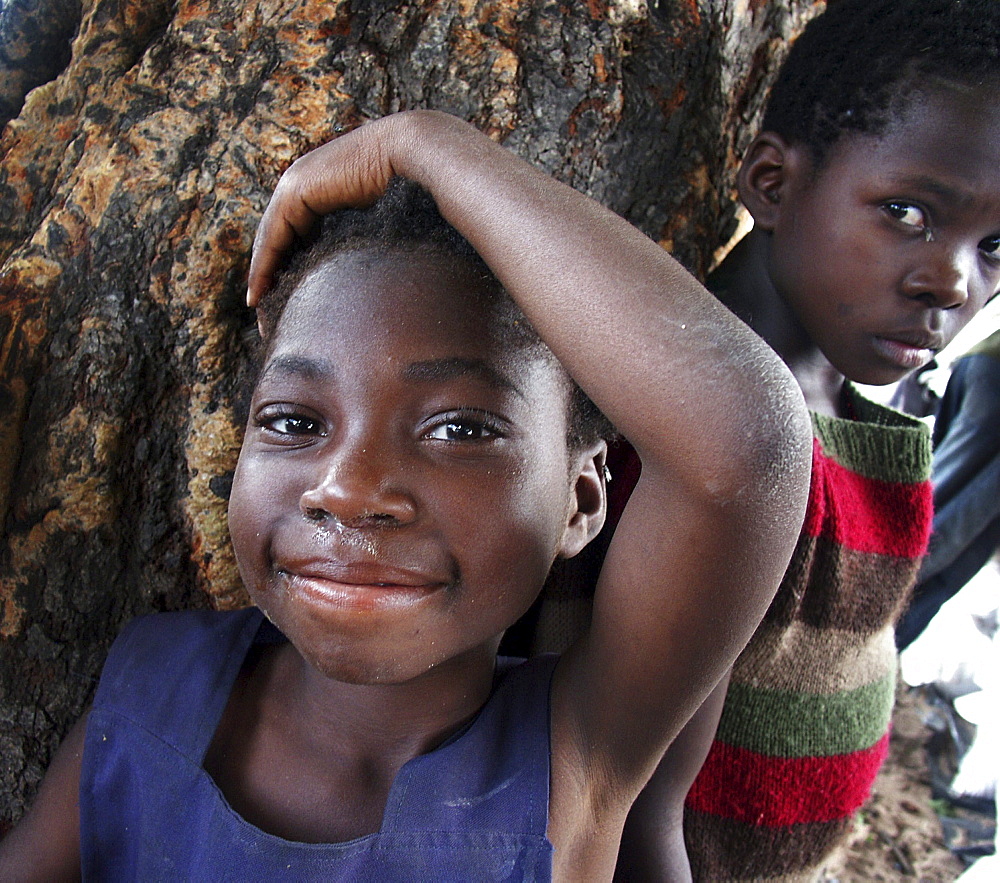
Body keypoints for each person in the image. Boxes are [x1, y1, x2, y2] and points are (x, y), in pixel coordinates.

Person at [0, 110, 811, 880]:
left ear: (583, 500)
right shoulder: (149, 687)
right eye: (293, 420)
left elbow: (747, 447)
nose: (348, 489)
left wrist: (424, 146)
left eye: (459, 430)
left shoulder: (574, 757)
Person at [613, 0, 1000, 879]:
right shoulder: (723, 440)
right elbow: (631, 801)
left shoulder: (829, 387)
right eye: (907, 212)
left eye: (997, 247)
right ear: (773, 184)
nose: (950, 280)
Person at [896, 327, 1000, 650]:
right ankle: (852, 633)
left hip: (983, 362)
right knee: (944, 529)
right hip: (991, 379)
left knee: (945, 521)